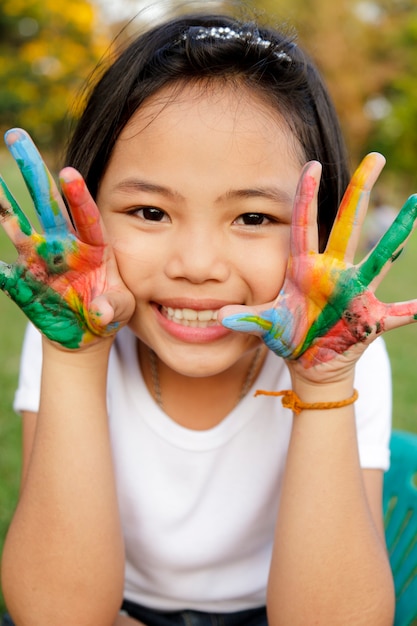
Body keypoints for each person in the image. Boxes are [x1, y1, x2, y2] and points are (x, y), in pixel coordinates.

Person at [1, 9, 416, 626]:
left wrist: (323, 383)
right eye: (149, 211)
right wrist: (75, 358)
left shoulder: (341, 356)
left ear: (319, 233)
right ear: (84, 212)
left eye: (252, 218)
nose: (197, 266)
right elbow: (59, 615)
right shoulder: (72, 330)